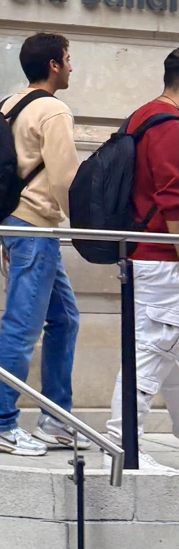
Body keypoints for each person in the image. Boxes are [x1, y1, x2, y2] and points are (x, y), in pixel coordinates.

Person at [0, 32, 84, 456]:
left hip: (17, 224)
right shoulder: (53, 110)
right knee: (22, 326)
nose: (72, 66)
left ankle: (56, 420)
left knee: (65, 319)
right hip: (34, 229)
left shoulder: (10, 104)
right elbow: (64, 178)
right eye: (68, 59)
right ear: (54, 65)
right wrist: (88, 230)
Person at [104, 47, 179, 471]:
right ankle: (123, 447)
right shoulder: (169, 125)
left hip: (148, 256)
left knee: (169, 355)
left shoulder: (143, 115)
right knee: (151, 353)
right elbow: (173, 201)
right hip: (162, 258)